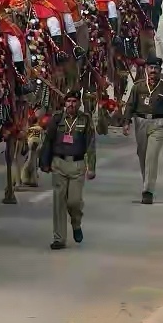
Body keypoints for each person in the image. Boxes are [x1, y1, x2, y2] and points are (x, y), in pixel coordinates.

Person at [39, 90, 96, 250]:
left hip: (77, 165)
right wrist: (44, 162)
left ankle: (76, 223)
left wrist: (91, 167)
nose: (71, 104)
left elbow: (91, 145)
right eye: (68, 101)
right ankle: (59, 238)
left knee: (74, 202)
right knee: (59, 202)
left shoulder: (85, 120)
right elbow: (48, 141)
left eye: (74, 101)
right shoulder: (57, 119)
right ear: (65, 103)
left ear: (79, 103)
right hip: (59, 163)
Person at [122, 55, 163, 204]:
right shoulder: (138, 87)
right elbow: (129, 105)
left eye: (156, 69)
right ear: (146, 69)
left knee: (151, 157)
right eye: (151, 68)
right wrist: (126, 122)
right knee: (143, 155)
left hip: (158, 123)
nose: (153, 71)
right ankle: (147, 182)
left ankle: (148, 191)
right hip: (140, 122)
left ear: (160, 70)